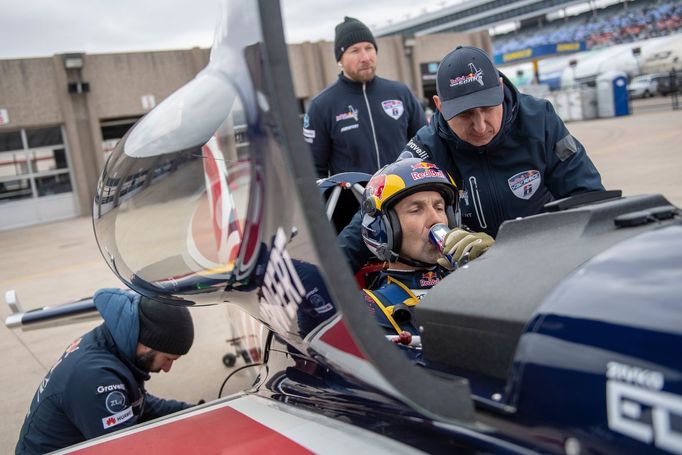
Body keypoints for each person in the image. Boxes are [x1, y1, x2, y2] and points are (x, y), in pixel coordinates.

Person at [338, 45, 604, 272]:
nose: (480, 126)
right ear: (439, 106)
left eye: (488, 108)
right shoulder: (427, 147)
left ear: (500, 89)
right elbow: (375, 211)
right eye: (465, 115)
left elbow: (588, 198)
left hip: (549, 257)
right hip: (475, 273)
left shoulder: (540, 120)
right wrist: (328, 279)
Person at [16, 289, 195, 454]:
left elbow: (137, 404)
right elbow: (126, 448)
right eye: (168, 359)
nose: (167, 368)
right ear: (147, 345)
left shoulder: (113, 344)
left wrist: (194, 413)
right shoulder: (96, 377)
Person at [359, 158, 493, 338]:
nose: (436, 219)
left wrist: (495, 266)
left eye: (439, 207)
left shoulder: (472, 283)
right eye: (416, 210)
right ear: (385, 228)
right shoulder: (368, 306)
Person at [303, 16, 426, 178]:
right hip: (353, 201)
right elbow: (314, 170)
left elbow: (425, 147)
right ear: (339, 59)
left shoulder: (401, 93)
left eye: (369, 48)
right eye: (355, 51)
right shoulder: (322, 106)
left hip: (402, 198)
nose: (365, 58)